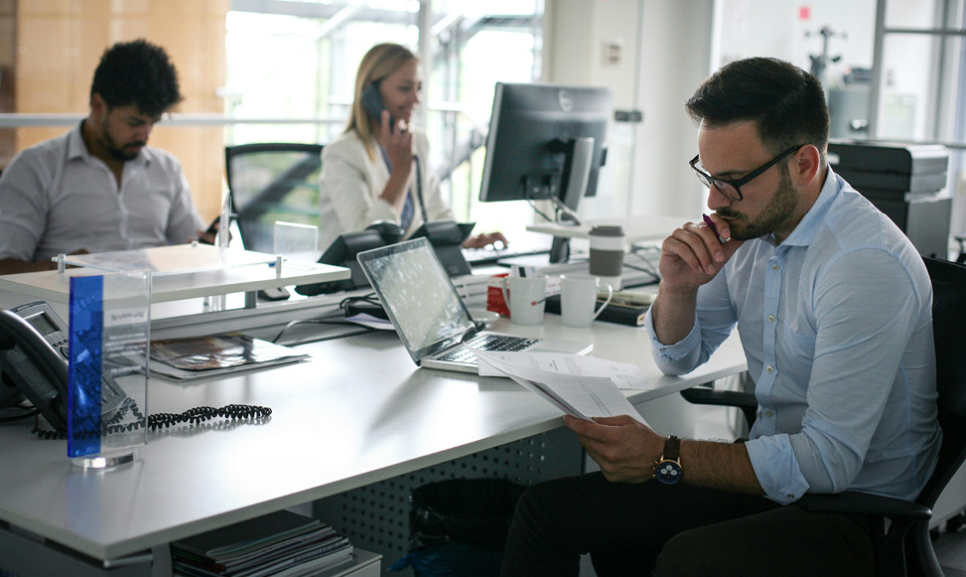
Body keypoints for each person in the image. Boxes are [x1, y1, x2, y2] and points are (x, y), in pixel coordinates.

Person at [499, 57, 941, 576]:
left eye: (732, 181)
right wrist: (678, 288)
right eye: (708, 176)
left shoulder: (862, 263)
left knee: (683, 559)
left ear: (804, 164)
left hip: (856, 507)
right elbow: (679, 360)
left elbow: (828, 461)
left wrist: (666, 454)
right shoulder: (755, 227)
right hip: (776, 472)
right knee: (547, 514)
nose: (713, 200)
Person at [0, 38, 206, 276]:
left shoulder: (167, 169)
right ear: (99, 106)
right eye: (134, 122)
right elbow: (4, 266)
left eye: (153, 123)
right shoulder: (35, 168)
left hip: (158, 306)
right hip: (73, 306)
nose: (145, 135)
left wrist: (209, 245)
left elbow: (193, 247)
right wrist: (59, 269)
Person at [318, 42, 505, 252]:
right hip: (354, 279)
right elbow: (365, 237)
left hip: (404, 273)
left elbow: (436, 210)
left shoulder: (417, 143)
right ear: (370, 91)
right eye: (405, 88)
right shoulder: (343, 153)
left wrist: (465, 240)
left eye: (419, 88)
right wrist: (401, 171)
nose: (416, 99)